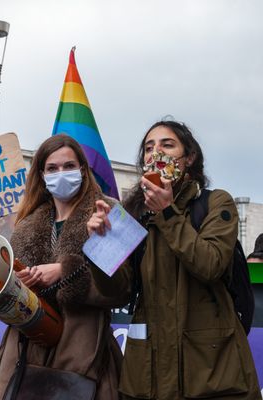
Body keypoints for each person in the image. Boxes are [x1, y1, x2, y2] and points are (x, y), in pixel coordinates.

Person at [88, 120, 261, 399]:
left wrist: (167, 213)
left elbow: (210, 265)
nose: (156, 153)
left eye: (167, 145)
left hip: (210, 374)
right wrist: (100, 244)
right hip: (149, 377)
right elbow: (116, 293)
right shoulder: (132, 214)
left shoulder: (216, 203)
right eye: (148, 148)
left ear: (189, 158)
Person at [0, 134, 124, 400]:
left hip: (82, 355)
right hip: (25, 352)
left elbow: (121, 290)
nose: (61, 173)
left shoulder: (109, 212)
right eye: (52, 168)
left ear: (83, 170)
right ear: (42, 175)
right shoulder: (24, 225)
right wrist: (19, 285)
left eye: (69, 166)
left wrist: (64, 273)